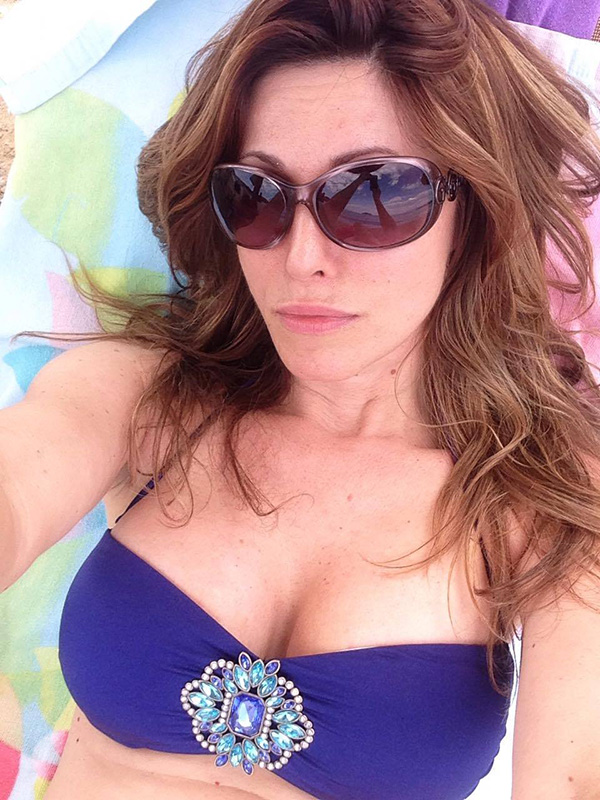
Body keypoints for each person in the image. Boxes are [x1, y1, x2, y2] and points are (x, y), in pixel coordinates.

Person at [3, 0, 600, 798]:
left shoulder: (543, 493)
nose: (302, 257)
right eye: (257, 195)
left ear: (475, 212)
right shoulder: (151, 399)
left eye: (375, 194)